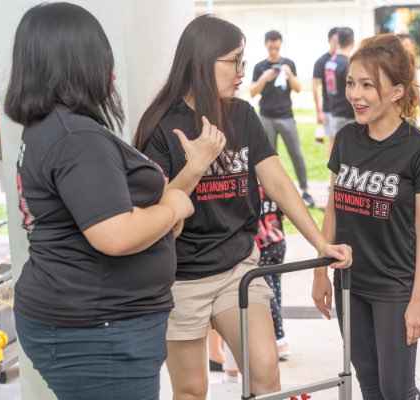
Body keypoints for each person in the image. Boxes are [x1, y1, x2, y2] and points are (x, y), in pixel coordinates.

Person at [132, 14, 352, 400]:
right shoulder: (162, 126)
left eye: (242, 61)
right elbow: (155, 214)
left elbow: (279, 183)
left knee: (265, 375)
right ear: (203, 61)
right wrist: (197, 165)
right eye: (234, 61)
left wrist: (320, 243)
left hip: (237, 269)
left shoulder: (241, 114)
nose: (241, 72)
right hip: (180, 278)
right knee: (191, 390)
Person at [5, 3, 193, 400]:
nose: (111, 70)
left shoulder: (52, 127)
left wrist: (155, 214)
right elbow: (115, 234)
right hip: (98, 332)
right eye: (101, 56)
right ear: (76, 63)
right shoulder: (77, 138)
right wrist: (173, 207)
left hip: (90, 323)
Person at [313, 33, 420, 400]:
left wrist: (419, 299)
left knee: (396, 390)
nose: (355, 94)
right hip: (350, 284)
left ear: (397, 91)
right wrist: (320, 272)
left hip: (394, 288)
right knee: (369, 386)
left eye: (368, 85)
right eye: (351, 83)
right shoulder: (346, 139)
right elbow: (333, 207)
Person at [251, 30, 314, 207]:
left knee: (296, 154)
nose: (273, 51)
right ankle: (268, 195)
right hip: (266, 117)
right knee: (267, 159)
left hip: (286, 116)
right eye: (271, 48)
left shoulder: (289, 63)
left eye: (276, 48)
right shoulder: (260, 66)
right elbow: (253, 92)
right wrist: (265, 78)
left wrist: (289, 74)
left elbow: (298, 88)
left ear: (280, 45)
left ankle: (305, 190)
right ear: (265, 45)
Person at [256, 185, 290, 359]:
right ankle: (278, 335)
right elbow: (283, 214)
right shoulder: (273, 187)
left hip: (262, 244)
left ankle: (279, 338)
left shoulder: (251, 189)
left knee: (269, 295)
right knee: (276, 290)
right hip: (279, 242)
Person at [324, 27, 355, 158]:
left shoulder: (331, 61)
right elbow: (352, 89)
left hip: (334, 108)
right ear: (352, 42)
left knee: (333, 143)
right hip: (346, 112)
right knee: (348, 148)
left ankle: (332, 170)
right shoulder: (347, 63)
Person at [312, 27, 339, 143]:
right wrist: (319, 112)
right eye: (334, 40)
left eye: (340, 40)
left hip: (345, 109)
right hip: (329, 108)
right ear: (329, 40)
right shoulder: (321, 61)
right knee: (333, 140)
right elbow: (315, 87)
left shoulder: (346, 60)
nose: (337, 43)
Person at [398, 33, 420, 124]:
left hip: (411, 107)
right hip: (396, 108)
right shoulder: (391, 65)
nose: (408, 49)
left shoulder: (412, 62)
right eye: (405, 45)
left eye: (409, 45)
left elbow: (415, 84)